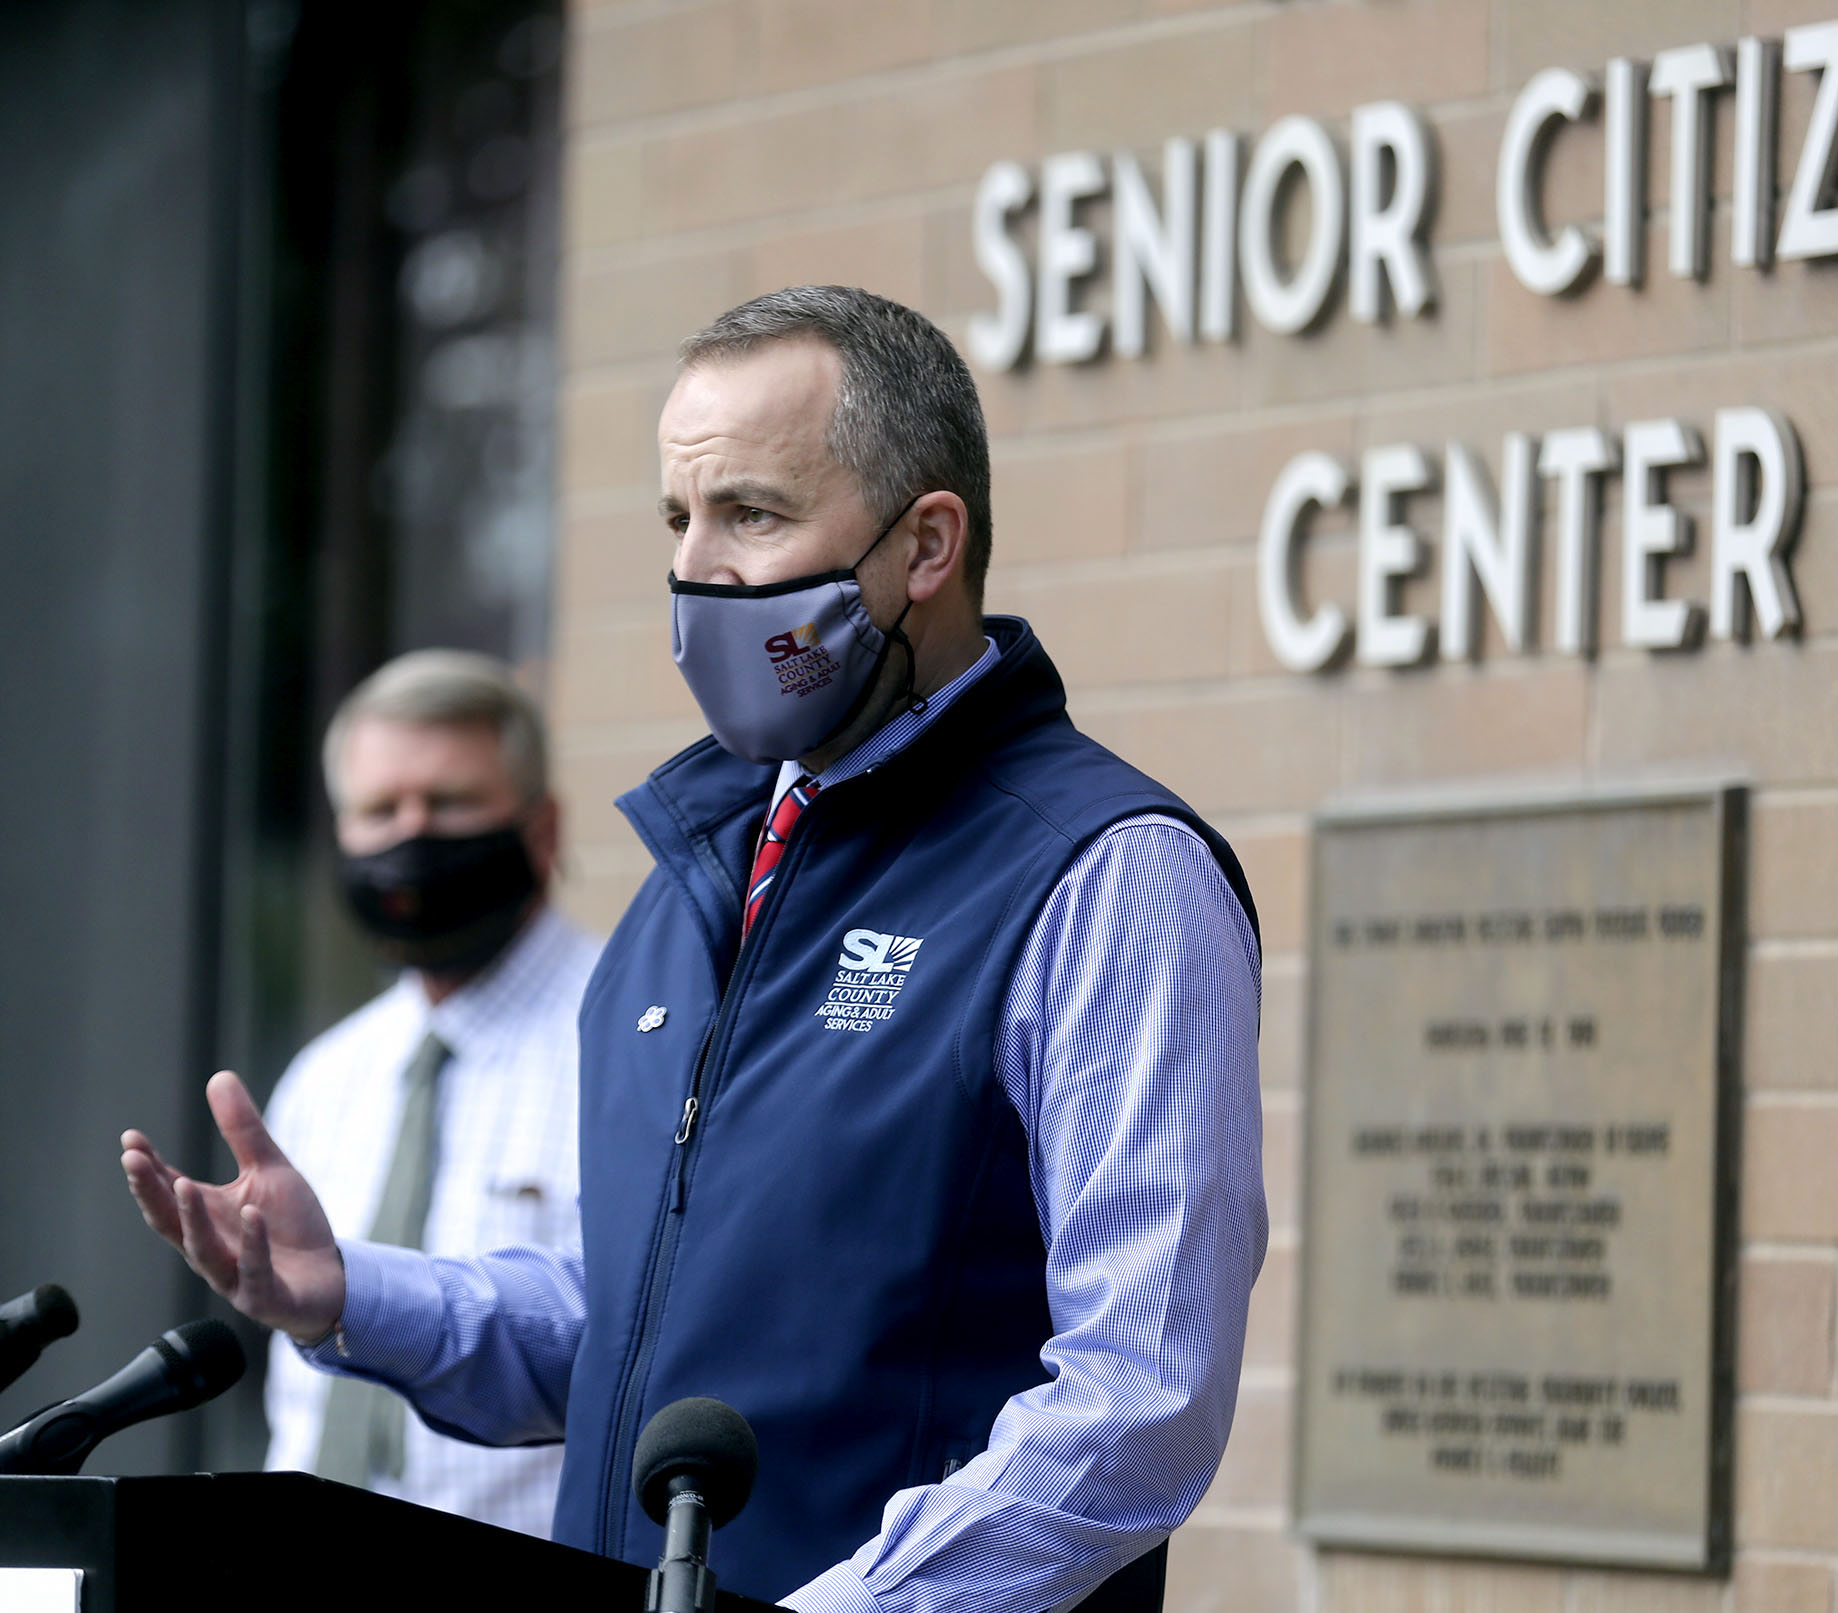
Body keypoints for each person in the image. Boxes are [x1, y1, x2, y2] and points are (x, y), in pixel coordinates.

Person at [121, 287, 1266, 1613]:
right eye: (680, 519)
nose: (699, 569)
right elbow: (640, 1322)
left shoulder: (1107, 872)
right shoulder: (694, 881)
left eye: (754, 514)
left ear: (927, 545)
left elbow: (1141, 1397)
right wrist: (351, 1296)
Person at [257, 649, 599, 1537]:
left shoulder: (637, 1043)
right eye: (379, 811)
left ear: (543, 829)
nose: (411, 836)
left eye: (448, 803)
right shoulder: (326, 1076)